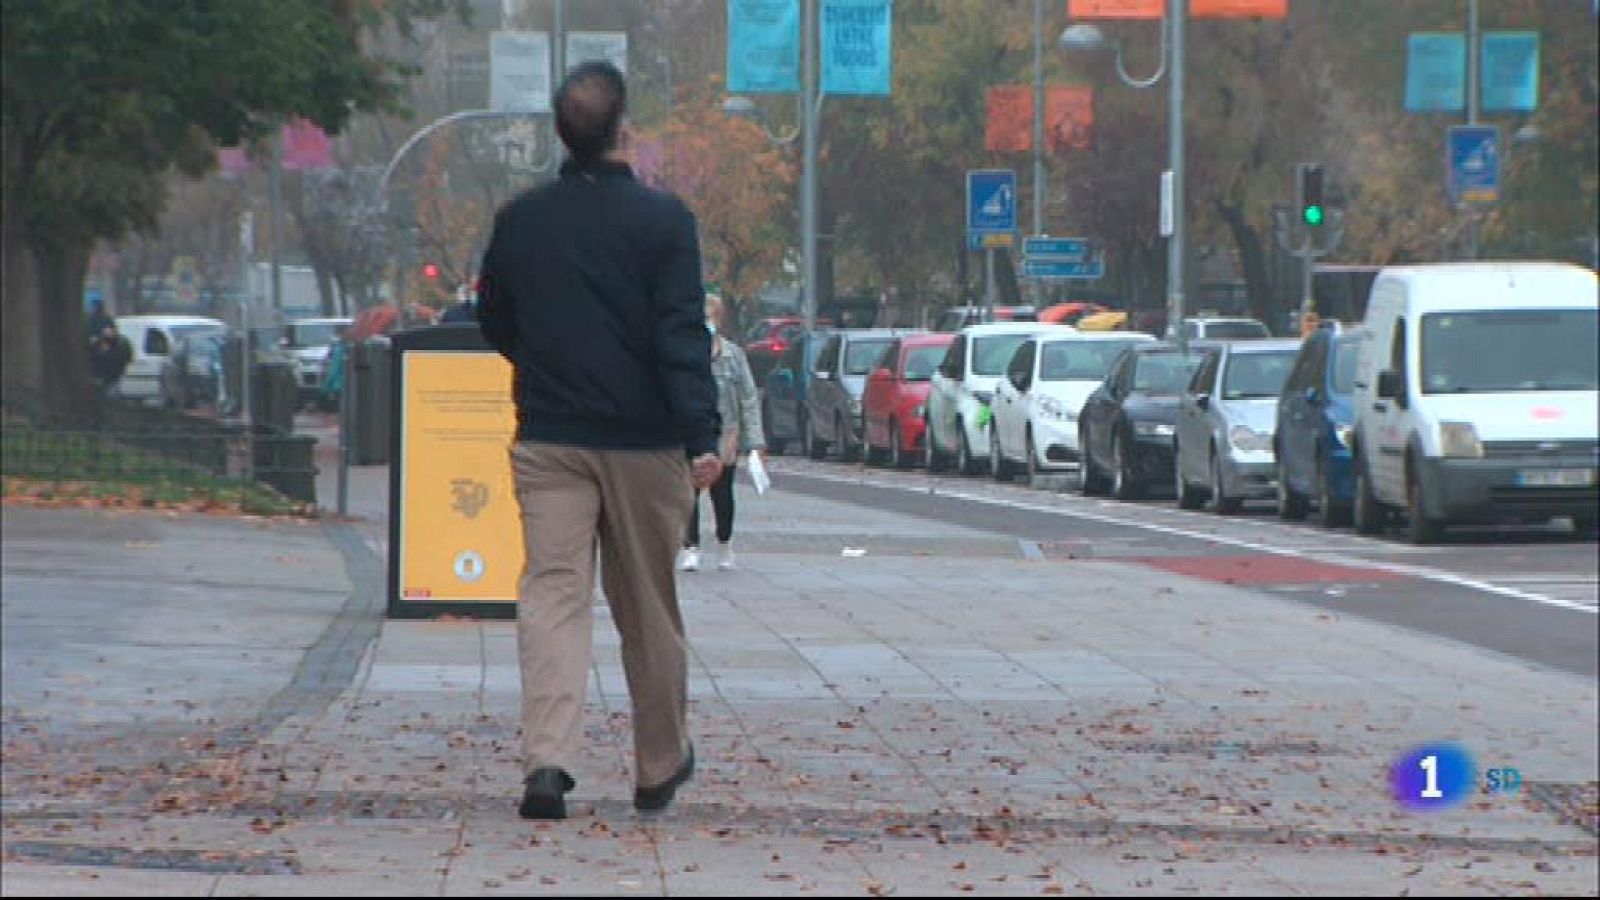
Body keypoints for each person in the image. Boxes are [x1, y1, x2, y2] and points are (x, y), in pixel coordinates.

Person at [477, 60, 722, 821]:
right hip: (646, 443)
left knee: (552, 595)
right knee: (647, 603)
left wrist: (546, 366)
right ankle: (657, 764)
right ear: (624, 131)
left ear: (560, 133)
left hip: (550, 436)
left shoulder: (520, 221)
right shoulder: (664, 223)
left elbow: (494, 319)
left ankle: (547, 761)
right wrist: (701, 434)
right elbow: (680, 335)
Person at [680, 293, 766, 573]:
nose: (706, 323)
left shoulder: (733, 356)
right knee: (688, 493)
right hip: (691, 432)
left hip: (725, 434)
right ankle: (690, 547)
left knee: (722, 494)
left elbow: (748, 398)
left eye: (710, 318)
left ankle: (724, 543)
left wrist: (754, 442)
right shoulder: (686, 353)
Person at [87, 324, 132, 396]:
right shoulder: (96, 344)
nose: (107, 334)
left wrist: (121, 370)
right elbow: (92, 359)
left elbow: (125, 358)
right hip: (100, 377)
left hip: (113, 376)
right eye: (105, 332)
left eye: (109, 332)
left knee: (111, 395)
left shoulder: (119, 345)